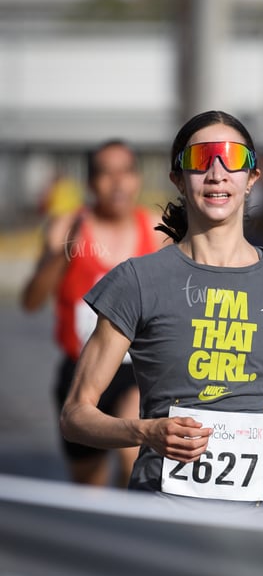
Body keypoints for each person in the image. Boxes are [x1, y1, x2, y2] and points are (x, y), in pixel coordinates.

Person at [60, 111, 263, 508]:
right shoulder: (136, 281)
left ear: (252, 178)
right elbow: (75, 415)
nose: (217, 172)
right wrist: (145, 431)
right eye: (201, 159)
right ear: (178, 179)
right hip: (166, 514)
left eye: (232, 158)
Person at [21, 139, 166, 487]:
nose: (117, 183)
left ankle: (126, 525)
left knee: (133, 452)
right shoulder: (66, 228)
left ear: (137, 180)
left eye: (125, 172)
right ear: (90, 183)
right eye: (105, 174)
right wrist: (62, 253)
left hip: (138, 370)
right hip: (82, 368)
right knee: (89, 484)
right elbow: (31, 301)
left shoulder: (157, 230)